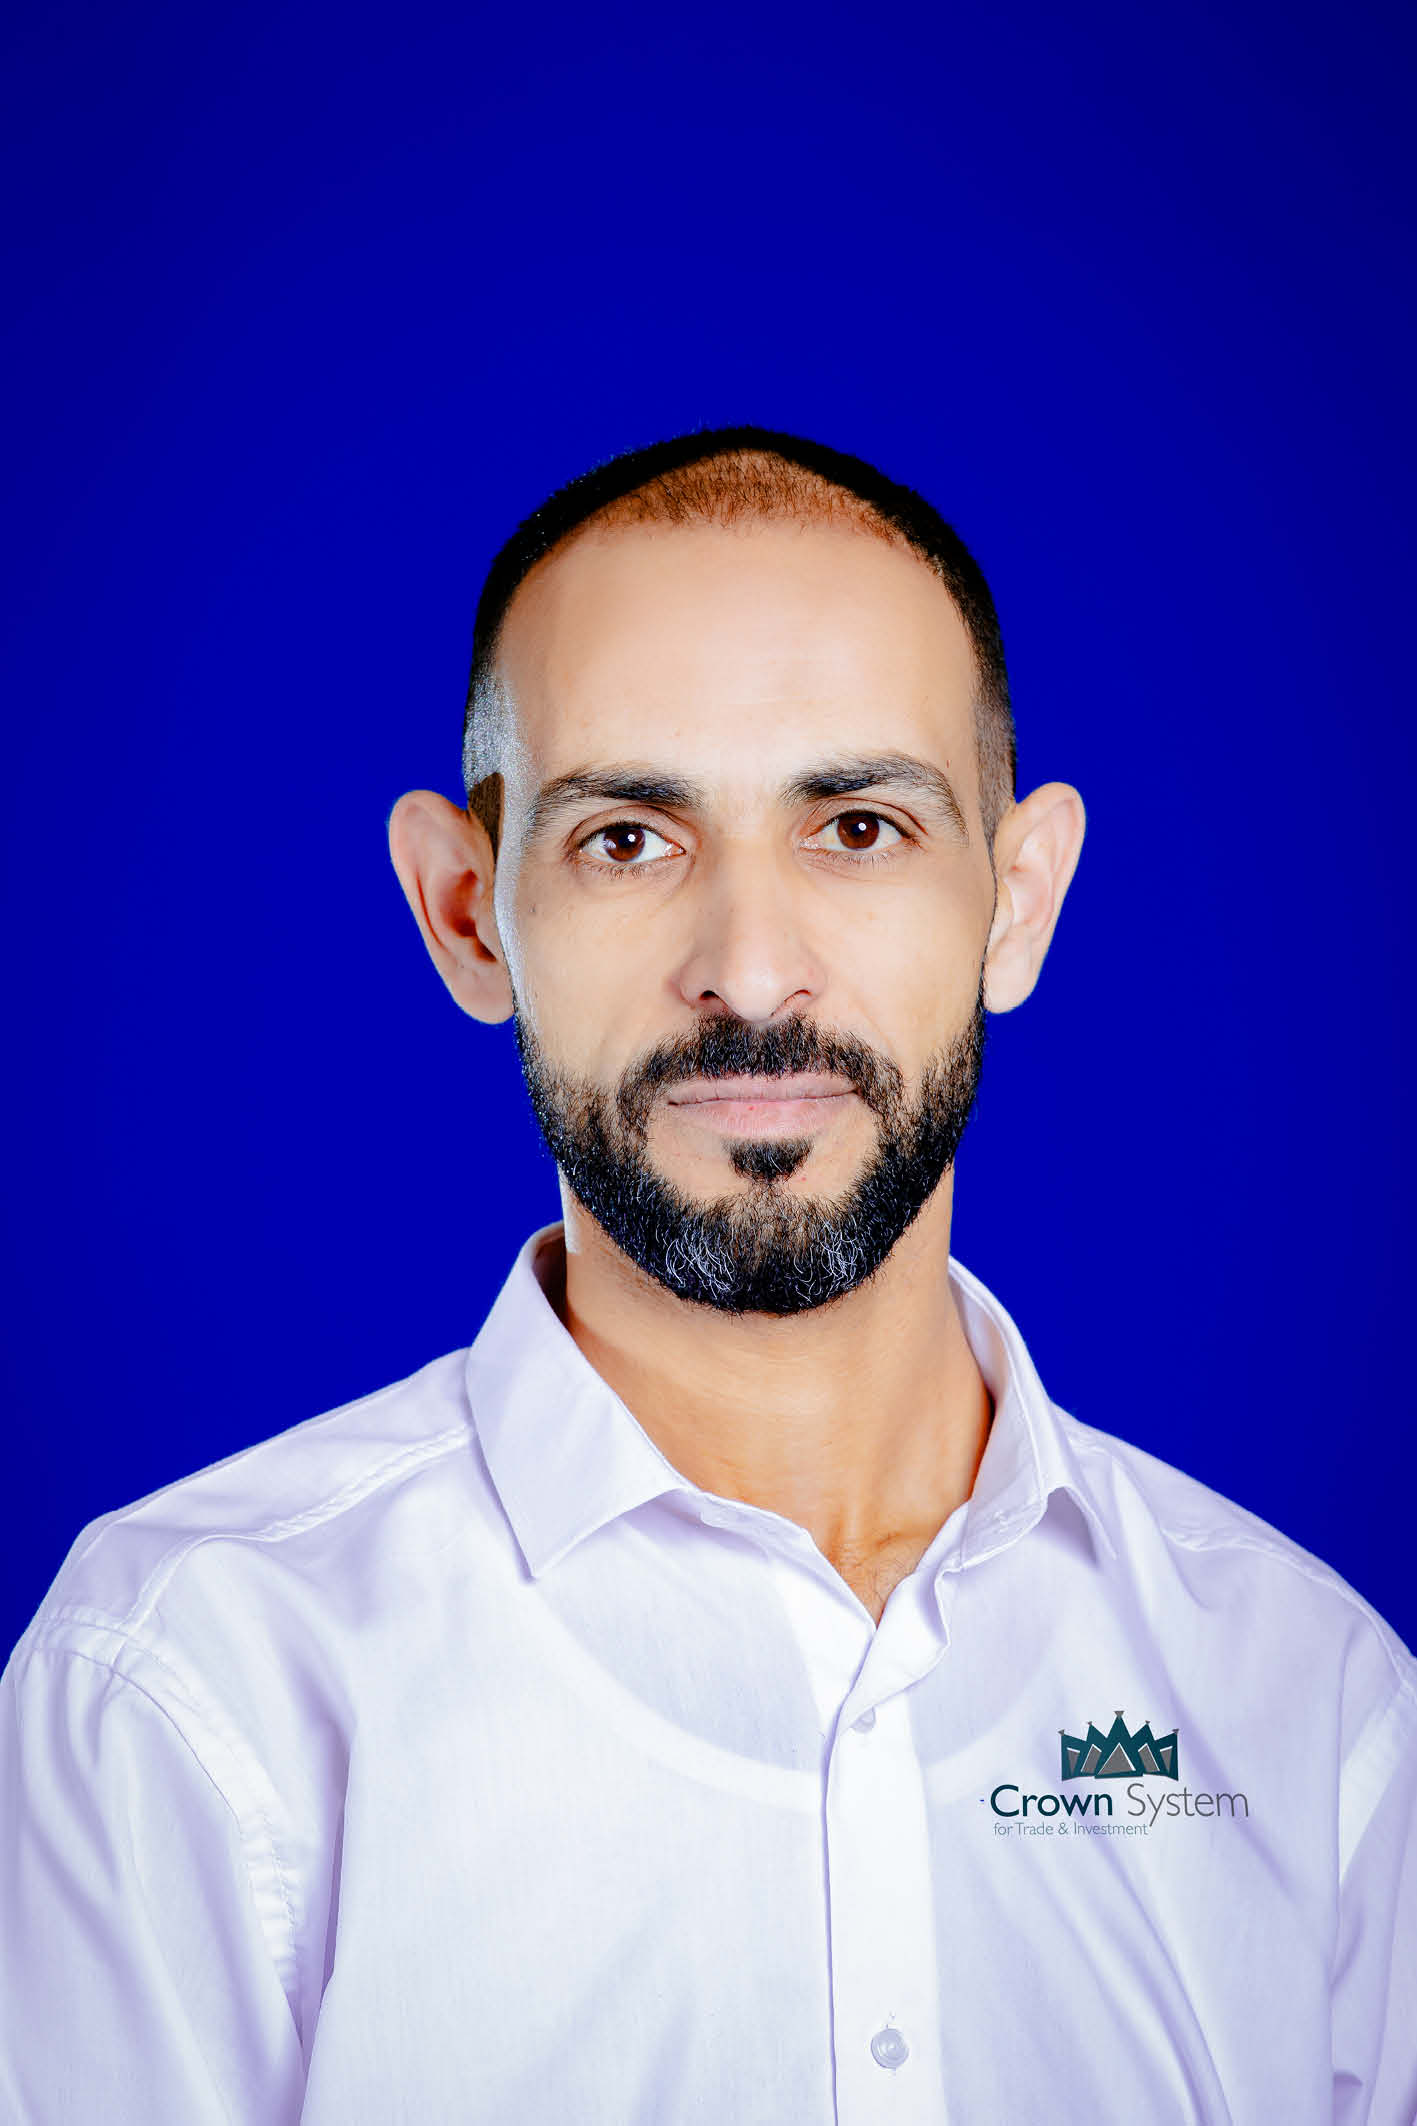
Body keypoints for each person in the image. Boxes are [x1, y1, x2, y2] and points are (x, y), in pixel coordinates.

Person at [1, 426, 1412, 2124]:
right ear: (466, 913)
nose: (748, 973)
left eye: (860, 827)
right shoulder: (184, 1690)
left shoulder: (1317, 1711)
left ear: (1015, 903)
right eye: (627, 839)